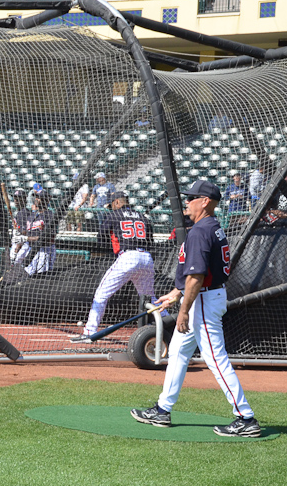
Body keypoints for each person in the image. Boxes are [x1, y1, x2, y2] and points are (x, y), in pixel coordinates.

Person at [131, 180, 262, 438]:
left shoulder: (201, 231)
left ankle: (246, 418)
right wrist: (175, 294)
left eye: (192, 198)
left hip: (202, 301)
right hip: (203, 297)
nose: (187, 202)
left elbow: (197, 276)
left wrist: (183, 310)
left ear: (205, 202)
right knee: (178, 353)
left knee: (215, 359)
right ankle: (162, 409)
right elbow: (196, 275)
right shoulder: (210, 228)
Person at [73, 192, 158, 343]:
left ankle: (89, 332)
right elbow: (150, 240)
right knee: (150, 298)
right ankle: (169, 326)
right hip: (146, 257)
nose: (111, 206)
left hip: (127, 256)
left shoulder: (114, 215)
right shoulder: (142, 216)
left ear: (118, 202)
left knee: (101, 295)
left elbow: (101, 238)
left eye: (112, 203)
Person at [12, 192, 58, 276]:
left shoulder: (49, 215)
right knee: (29, 274)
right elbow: (29, 232)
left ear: (46, 200)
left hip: (45, 249)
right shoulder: (32, 215)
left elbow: (47, 236)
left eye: (39, 198)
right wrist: (18, 234)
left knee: (42, 276)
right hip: (32, 249)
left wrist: (25, 238)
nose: (36, 199)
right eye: (36, 197)